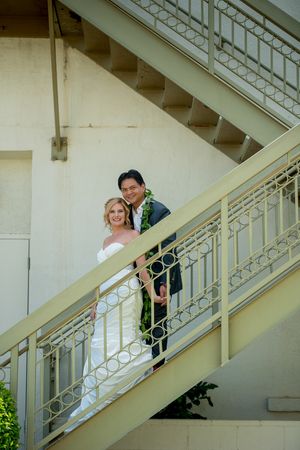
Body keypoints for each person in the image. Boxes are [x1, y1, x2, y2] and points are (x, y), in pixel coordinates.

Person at [67, 198, 164, 432]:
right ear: (107, 215)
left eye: (121, 210)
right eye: (113, 211)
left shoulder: (133, 235)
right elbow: (100, 275)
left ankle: (126, 377)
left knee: (121, 337)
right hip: (106, 298)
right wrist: (95, 302)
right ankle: (97, 396)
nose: (117, 214)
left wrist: (152, 294)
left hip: (125, 292)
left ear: (126, 214)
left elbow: (141, 268)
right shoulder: (106, 240)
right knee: (101, 341)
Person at [118, 169, 182, 369]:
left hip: (157, 275)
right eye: (124, 190)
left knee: (157, 321)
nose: (129, 193)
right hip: (135, 279)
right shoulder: (126, 212)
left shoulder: (159, 211)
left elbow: (169, 247)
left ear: (143, 187)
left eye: (133, 188)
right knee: (139, 322)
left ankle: (157, 366)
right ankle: (140, 366)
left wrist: (165, 281)